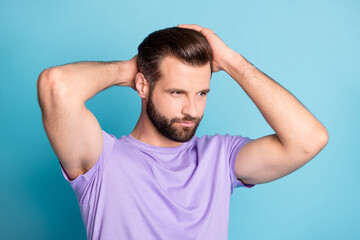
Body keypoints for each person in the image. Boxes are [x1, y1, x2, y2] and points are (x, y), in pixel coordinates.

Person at [37, 24, 328, 239]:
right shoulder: (101, 161)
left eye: (201, 93)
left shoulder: (221, 158)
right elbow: (55, 86)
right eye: (177, 92)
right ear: (142, 86)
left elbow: (308, 140)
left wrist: (231, 62)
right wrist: (131, 69)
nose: (193, 109)